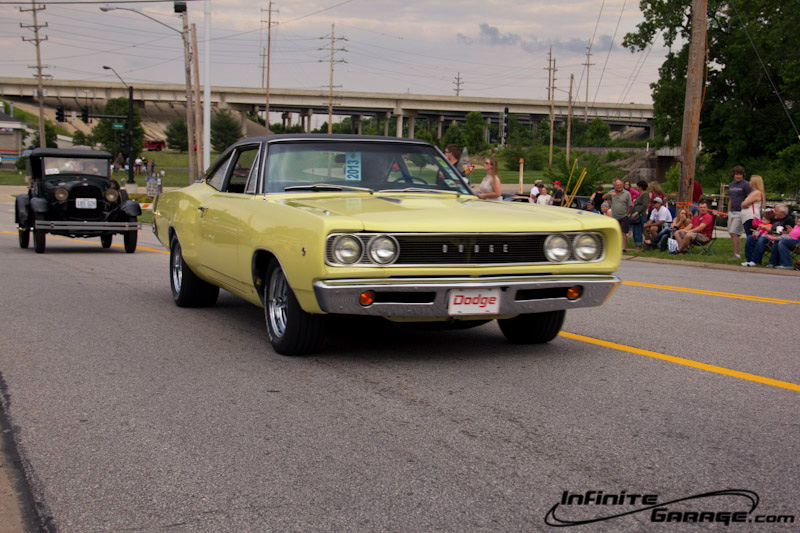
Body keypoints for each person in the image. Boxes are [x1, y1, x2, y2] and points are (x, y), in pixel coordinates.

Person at [727, 165, 752, 261]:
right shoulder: (731, 185)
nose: (738, 176)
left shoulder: (746, 185)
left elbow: (750, 197)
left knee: (735, 232)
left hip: (740, 212)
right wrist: (728, 211)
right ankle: (735, 252)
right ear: (733, 175)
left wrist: (746, 207)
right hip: (732, 211)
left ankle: (737, 254)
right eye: (737, 174)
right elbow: (730, 199)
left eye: (740, 174)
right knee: (731, 232)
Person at [603, 178, 632, 250]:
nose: (619, 186)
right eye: (617, 185)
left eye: (620, 185)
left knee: (623, 232)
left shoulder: (626, 193)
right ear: (614, 186)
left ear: (622, 185)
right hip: (614, 216)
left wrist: (627, 214)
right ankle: (615, 246)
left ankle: (623, 247)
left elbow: (629, 205)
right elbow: (603, 197)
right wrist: (609, 194)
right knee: (615, 232)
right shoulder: (612, 192)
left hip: (623, 216)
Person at [740, 174, 765, 247]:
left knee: (751, 237)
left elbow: (744, 203)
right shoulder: (756, 192)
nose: (749, 183)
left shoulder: (756, 193)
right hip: (747, 217)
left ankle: (752, 255)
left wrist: (743, 204)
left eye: (751, 181)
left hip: (750, 217)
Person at [630, 180, 649, 252]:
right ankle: (636, 245)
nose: (637, 188)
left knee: (638, 231)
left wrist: (637, 212)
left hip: (640, 215)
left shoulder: (645, 194)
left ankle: (639, 246)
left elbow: (644, 205)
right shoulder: (639, 194)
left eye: (638, 186)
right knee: (634, 231)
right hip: (634, 215)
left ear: (640, 187)